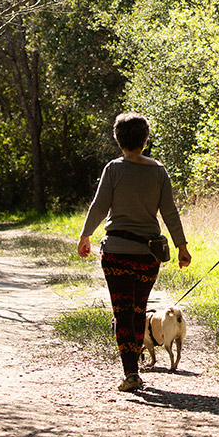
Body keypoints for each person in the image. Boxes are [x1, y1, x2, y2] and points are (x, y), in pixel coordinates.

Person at [78, 113, 192, 392]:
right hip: (147, 255)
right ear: (145, 139)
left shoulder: (113, 169)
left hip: (116, 252)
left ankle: (131, 372)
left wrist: (85, 235)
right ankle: (134, 363)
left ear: (118, 140)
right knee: (138, 309)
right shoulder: (158, 171)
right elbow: (170, 212)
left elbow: (99, 206)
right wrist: (181, 246)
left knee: (123, 311)